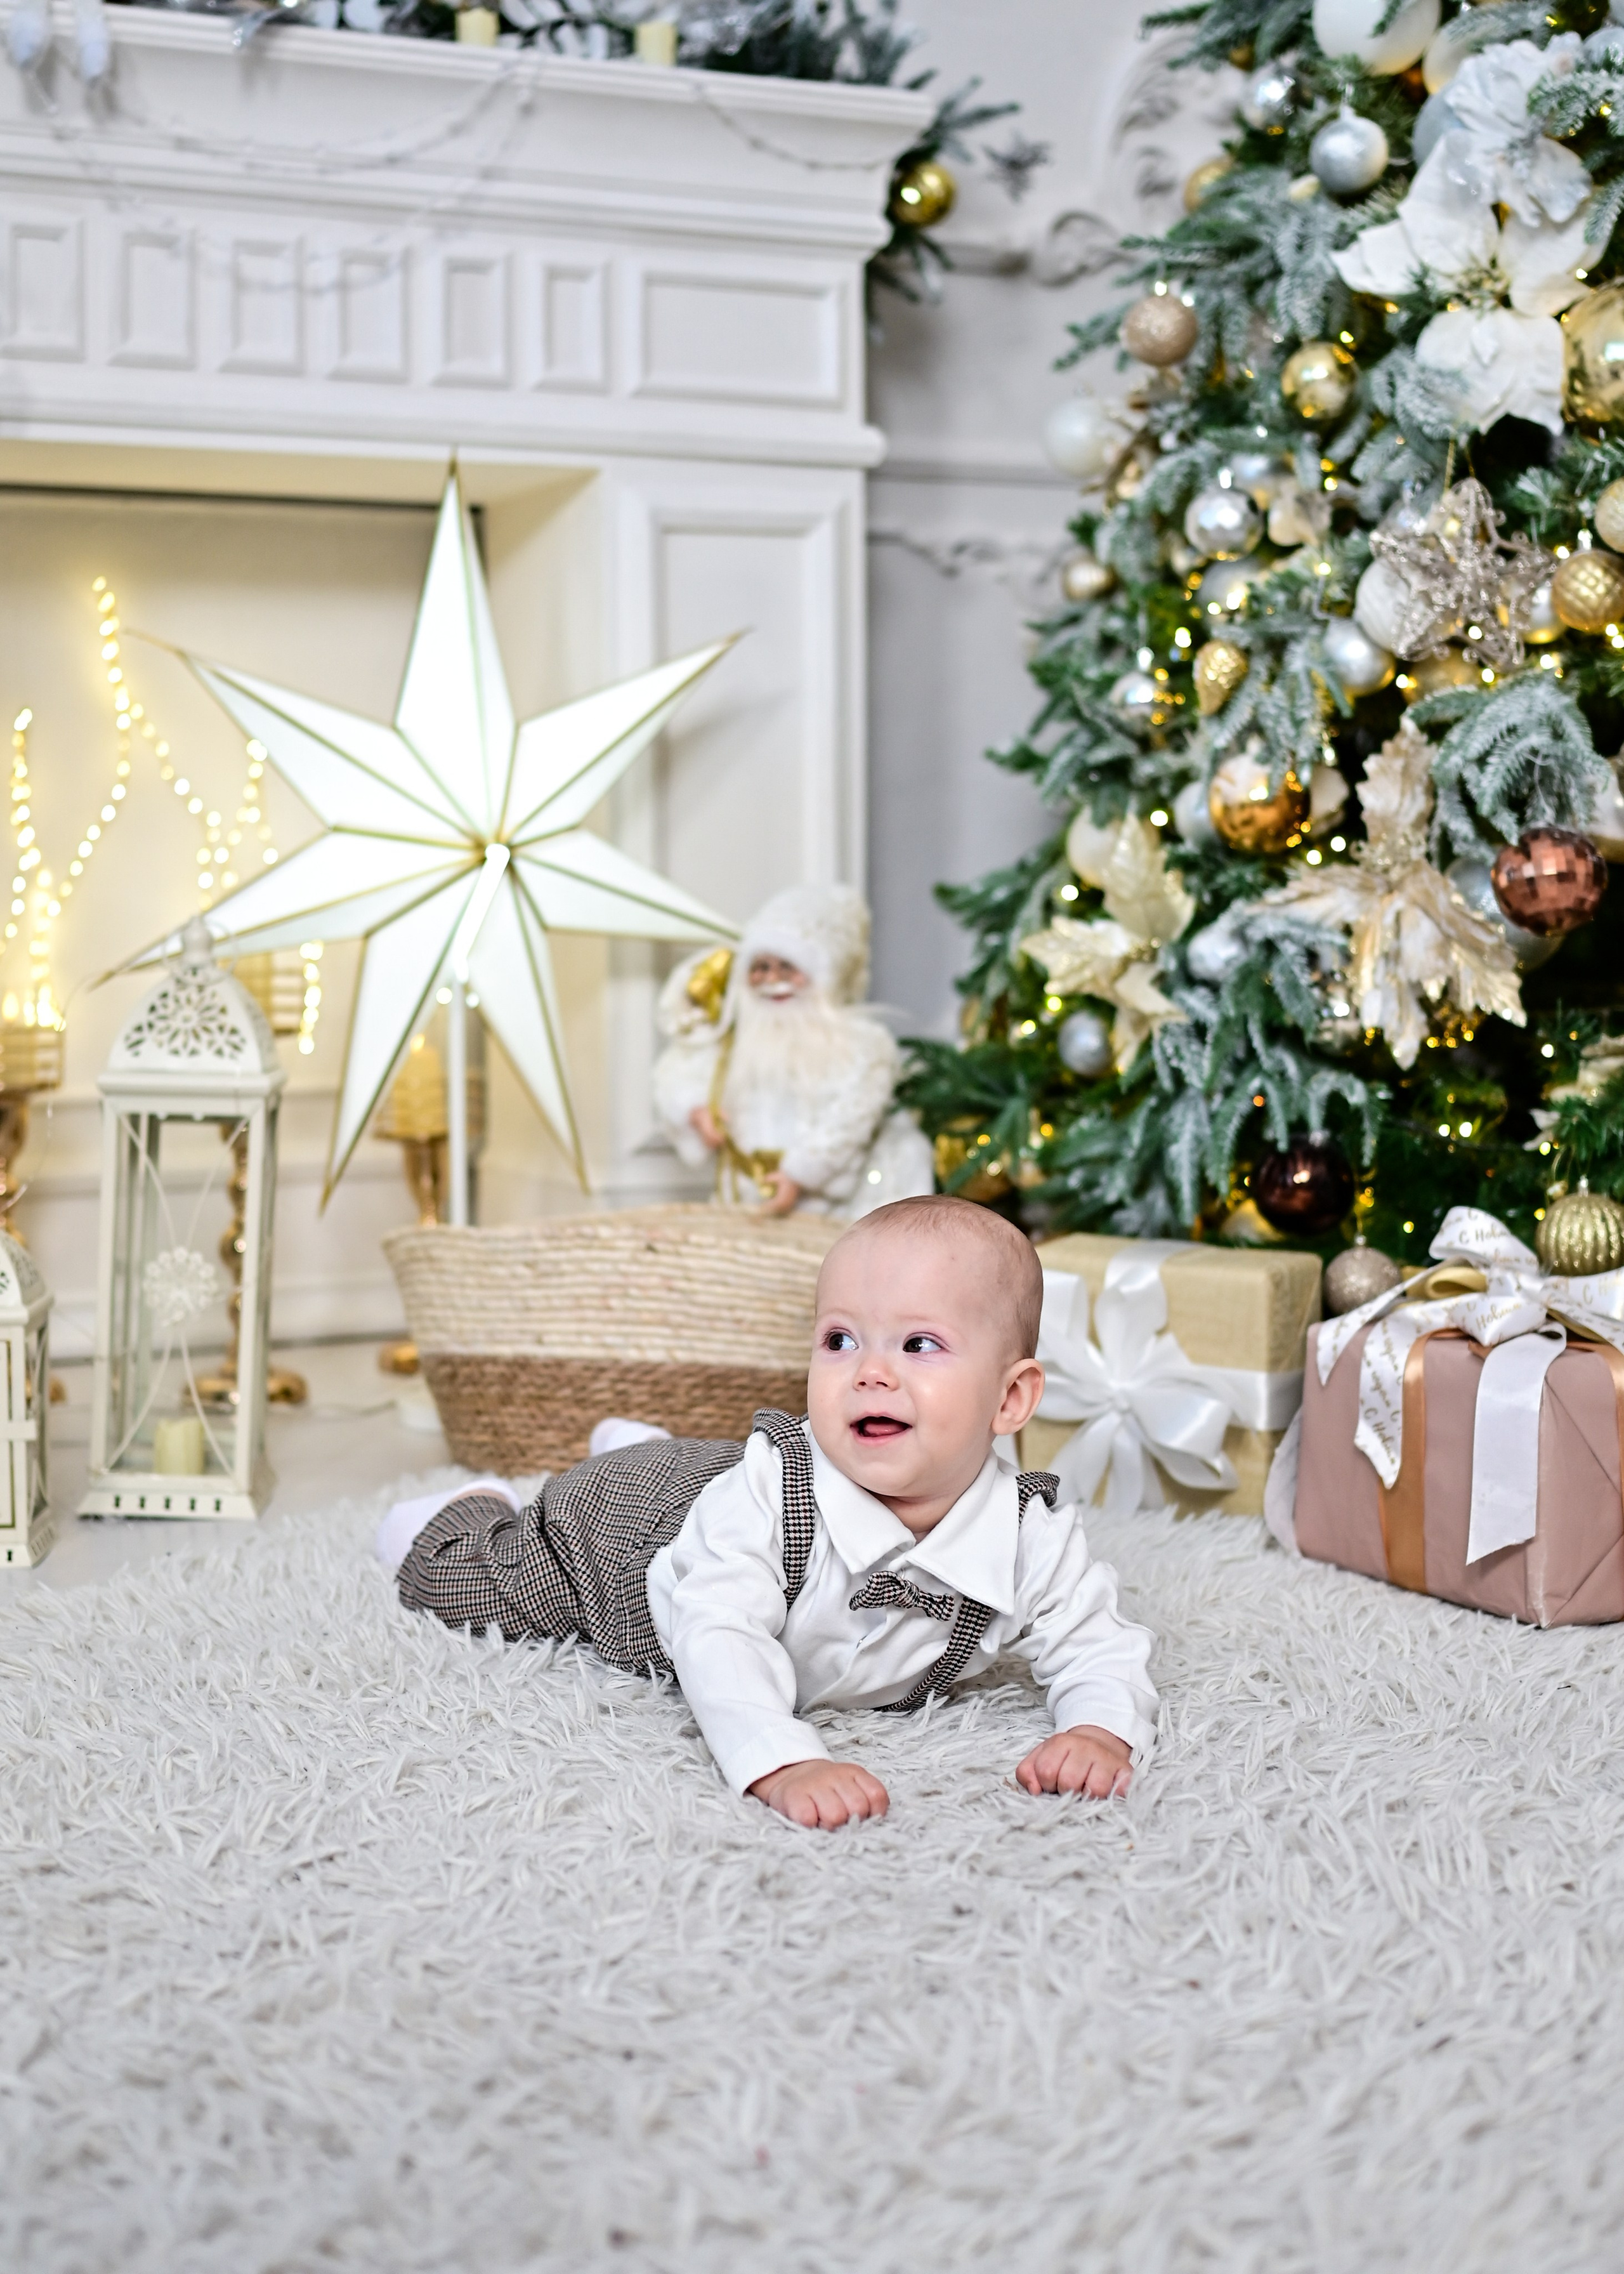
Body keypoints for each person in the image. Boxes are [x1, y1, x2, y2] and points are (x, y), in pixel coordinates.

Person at [380, 1195, 1157, 1829]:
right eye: (840, 1338)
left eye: (919, 1343)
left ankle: (646, 1442)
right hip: (626, 1537)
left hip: (713, 1482)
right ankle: (468, 1505)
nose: (871, 1372)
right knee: (471, 1585)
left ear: (1011, 1396)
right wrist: (781, 1757)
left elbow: (1100, 1645)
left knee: (711, 1473)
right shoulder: (764, 1499)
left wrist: (1097, 1727)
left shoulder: (1030, 1532)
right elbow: (719, 1631)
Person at [652, 881, 935, 1218]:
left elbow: (849, 1118)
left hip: (833, 1206)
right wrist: (695, 1110)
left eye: (788, 968)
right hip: (743, 1199)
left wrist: (801, 1173)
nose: (774, 980)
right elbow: (679, 1072)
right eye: (761, 968)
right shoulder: (731, 1042)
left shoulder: (860, 1046)